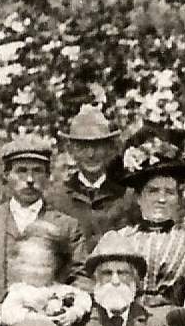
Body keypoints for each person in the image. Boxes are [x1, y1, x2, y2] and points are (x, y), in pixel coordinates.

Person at [0, 135, 87, 326]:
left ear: (48, 175)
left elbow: (81, 278)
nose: (30, 179)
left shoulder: (66, 226)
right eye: (21, 171)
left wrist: (68, 310)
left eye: (37, 171)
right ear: (7, 174)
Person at [113, 133, 185, 309]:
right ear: (139, 197)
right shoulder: (122, 239)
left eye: (169, 192)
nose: (161, 199)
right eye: (153, 191)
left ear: (177, 197)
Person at [45, 103, 137, 247]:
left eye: (97, 146)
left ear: (110, 149)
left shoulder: (127, 198)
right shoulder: (56, 199)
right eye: (82, 147)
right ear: (71, 151)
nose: (91, 154)